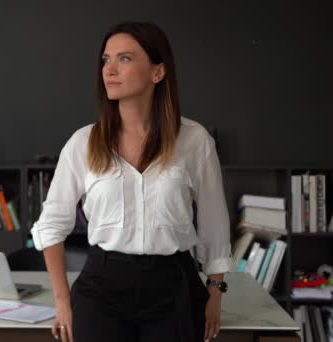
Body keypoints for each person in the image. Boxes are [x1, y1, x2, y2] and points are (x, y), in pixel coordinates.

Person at [30, 21, 232, 342]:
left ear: (157, 72)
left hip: (173, 287)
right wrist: (62, 301)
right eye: (106, 60)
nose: (110, 69)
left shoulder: (194, 140)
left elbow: (214, 225)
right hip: (101, 289)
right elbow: (51, 225)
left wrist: (215, 294)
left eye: (124, 59)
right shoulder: (83, 142)